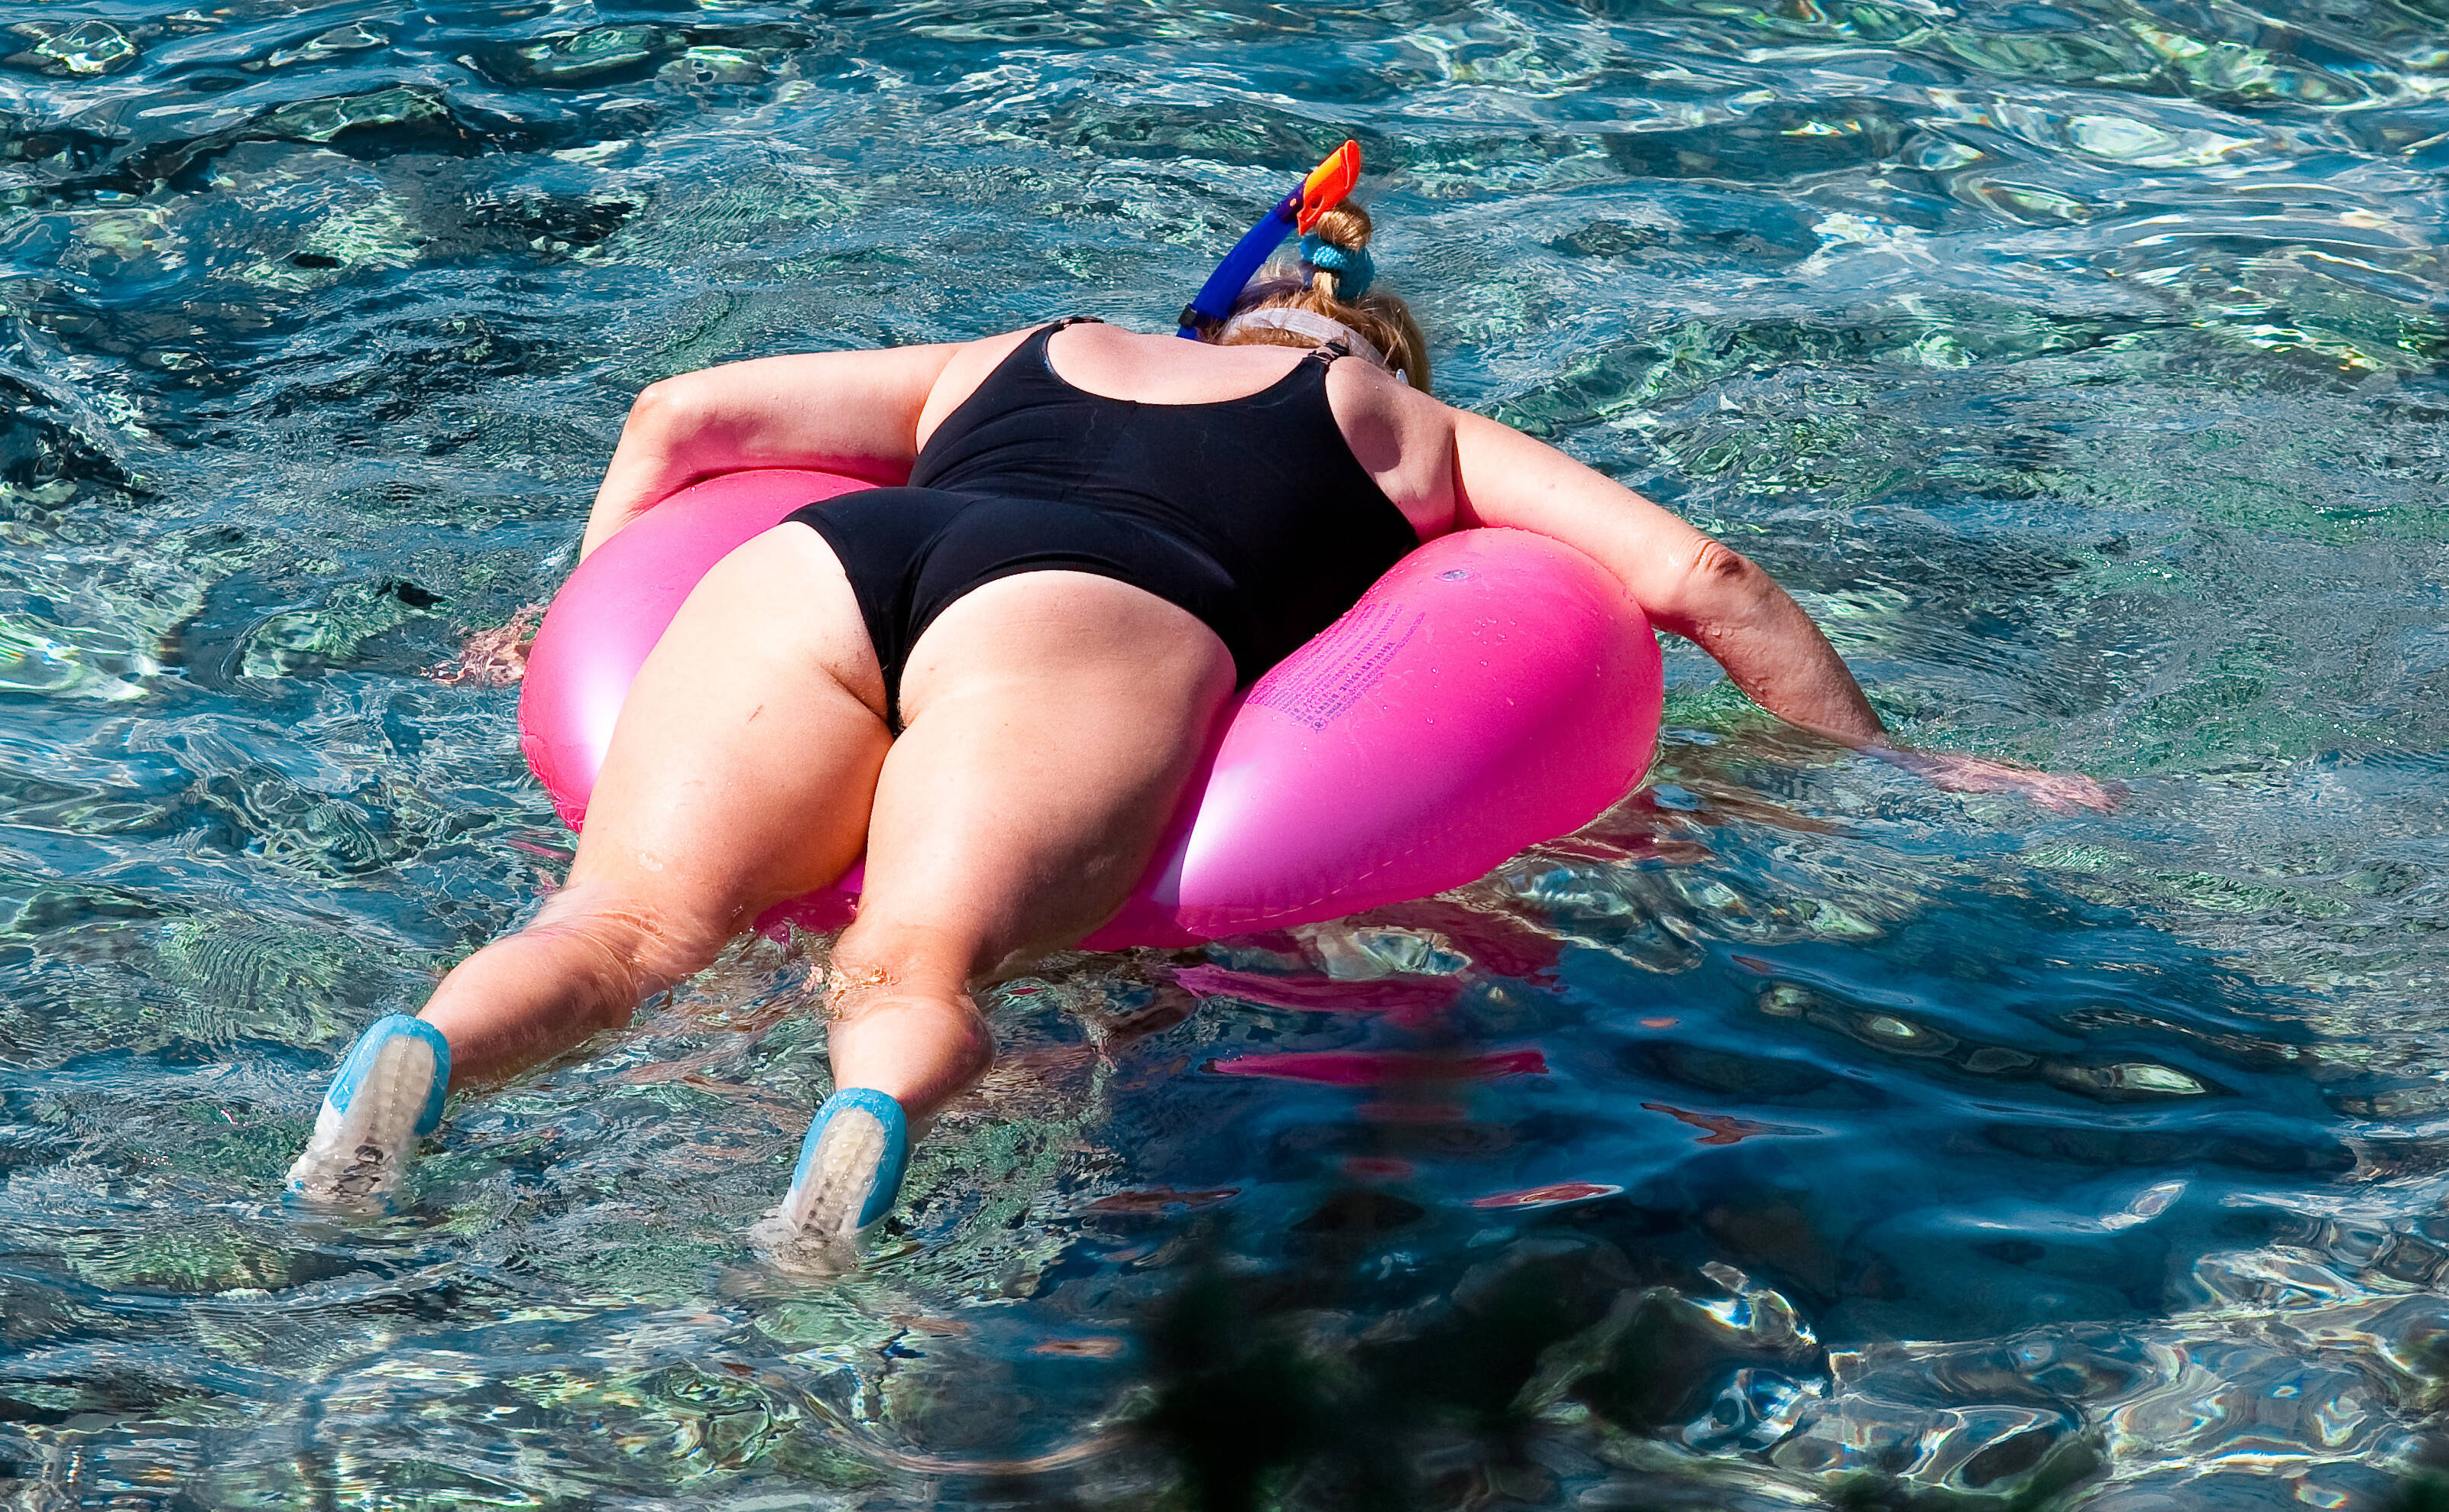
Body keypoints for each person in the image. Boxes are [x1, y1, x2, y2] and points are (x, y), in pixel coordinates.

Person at [287, 184, 2110, 1270]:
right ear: (1370, 351)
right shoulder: (1401, 428)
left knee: (618, 927)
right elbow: (1703, 576)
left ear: (1214, 317)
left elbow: (681, 415)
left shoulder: (1020, 348)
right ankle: (842, 1163)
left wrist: (561, 617)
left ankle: (417, 1063)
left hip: (831, 568)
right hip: (1087, 623)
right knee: (915, 963)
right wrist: (1886, 765)